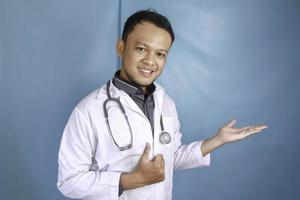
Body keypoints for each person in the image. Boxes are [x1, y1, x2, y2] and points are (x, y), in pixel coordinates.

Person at [57, 9, 268, 200]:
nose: (150, 61)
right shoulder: (88, 110)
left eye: (160, 54)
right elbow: (68, 182)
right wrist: (132, 180)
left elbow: (170, 157)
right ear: (121, 47)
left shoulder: (165, 102)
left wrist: (216, 140)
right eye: (141, 49)